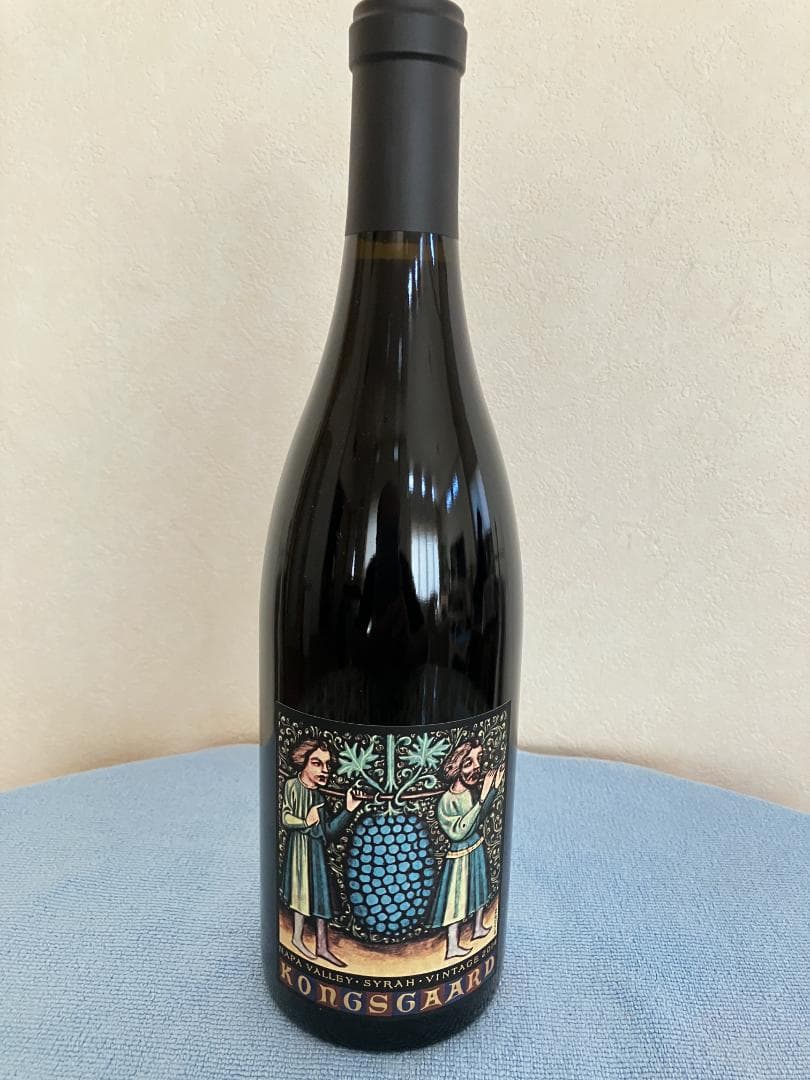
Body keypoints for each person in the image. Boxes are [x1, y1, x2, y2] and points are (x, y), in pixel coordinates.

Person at [280, 738, 361, 967]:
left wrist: (348, 809)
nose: (324, 770)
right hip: (300, 852)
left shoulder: (319, 797)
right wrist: (305, 822)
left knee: (321, 898)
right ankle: (296, 938)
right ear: (303, 762)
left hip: (317, 854)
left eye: (327, 765)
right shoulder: (292, 786)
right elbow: (285, 817)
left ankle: (322, 948)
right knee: (300, 894)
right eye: (317, 763)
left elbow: (328, 832)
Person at [429, 739, 505, 959]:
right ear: (456, 767)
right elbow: (458, 831)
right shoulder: (447, 801)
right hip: (459, 857)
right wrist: (482, 798)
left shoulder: (470, 793)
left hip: (476, 849)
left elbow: (479, 817)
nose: (476, 767)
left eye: (478, 760)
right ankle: (452, 946)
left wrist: (493, 790)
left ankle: (478, 927)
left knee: (479, 889)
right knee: (456, 901)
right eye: (468, 763)